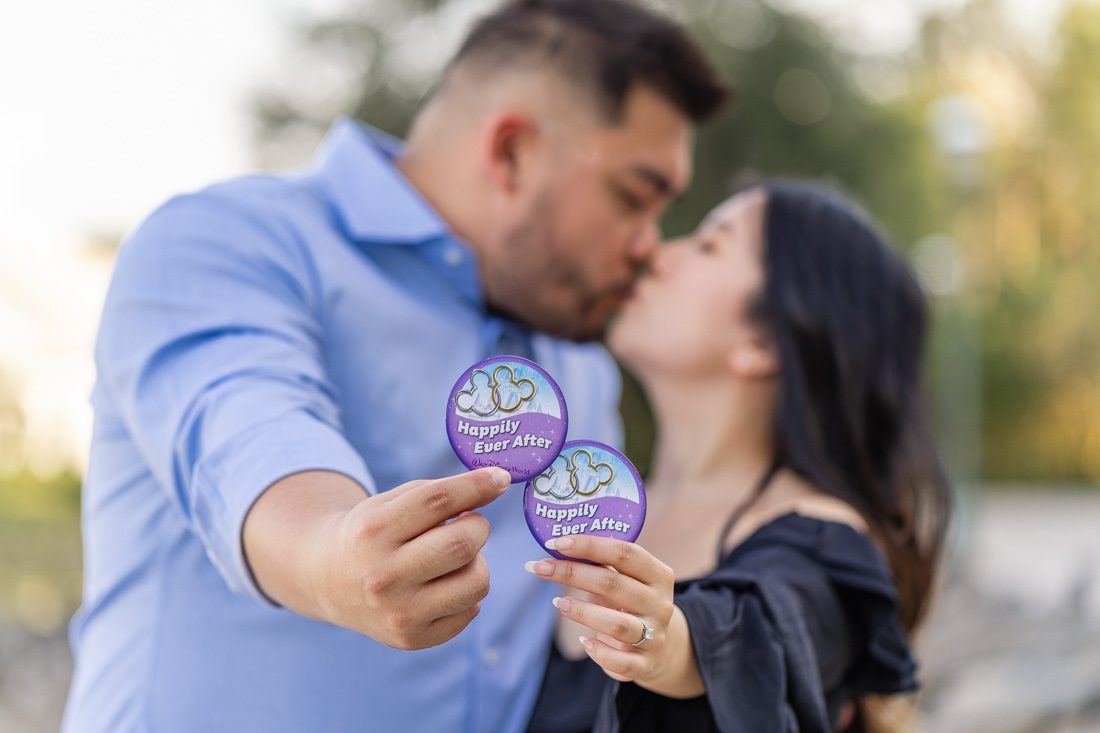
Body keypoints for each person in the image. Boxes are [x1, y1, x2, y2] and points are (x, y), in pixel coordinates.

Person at [61, 2, 727, 731]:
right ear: (510, 152)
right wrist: (332, 557)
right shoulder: (228, 243)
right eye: (634, 197)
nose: (649, 246)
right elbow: (246, 432)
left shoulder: (580, 363)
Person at [524, 181, 952, 732]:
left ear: (765, 343)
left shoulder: (822, 545)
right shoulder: (575, 506)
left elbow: (770, 634)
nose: (654, 251)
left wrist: (673, 645)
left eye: (709, 244)